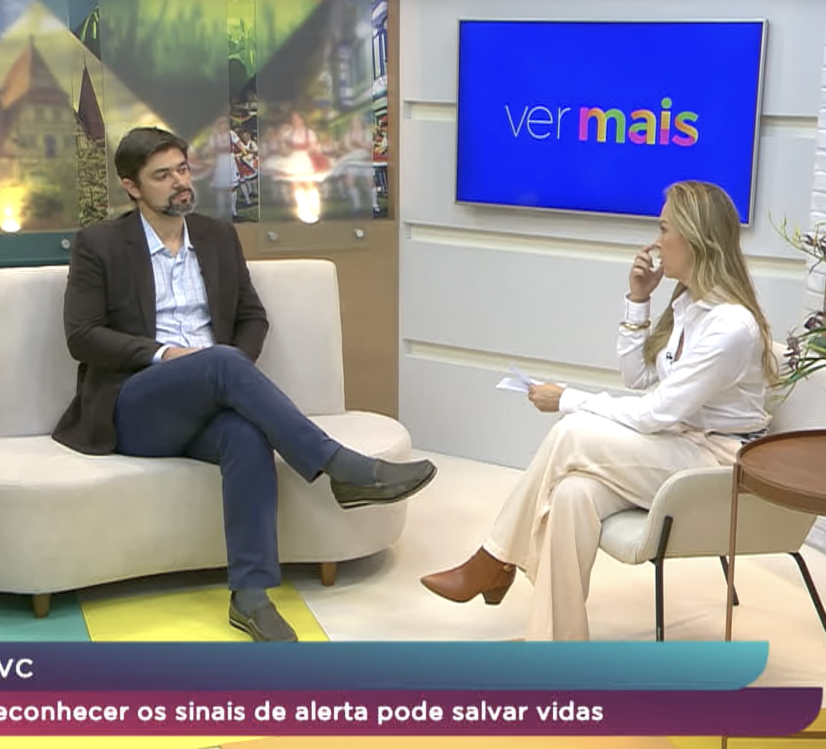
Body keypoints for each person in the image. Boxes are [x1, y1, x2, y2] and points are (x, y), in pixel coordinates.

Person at [53, 126, 437, 642]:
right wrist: (171, 355)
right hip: (135, 403)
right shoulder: (100, 244)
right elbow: (81, 336)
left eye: (183, 169)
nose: (179, 182)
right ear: (131, 186)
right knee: (221, 362)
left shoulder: (215, 236)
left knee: (246, 435)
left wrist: (229, 374)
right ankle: (342, 469)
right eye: (162, 176)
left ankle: (251, 596)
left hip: (210, 396)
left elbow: (252, 317)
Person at [419, 181, 776, 640]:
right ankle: (557, 650)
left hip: (719, 466)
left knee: (572, 431)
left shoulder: (731, 327)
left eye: (664, 228)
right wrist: (639, 300)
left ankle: (493, 560)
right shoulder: (689, 305)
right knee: (572, 495)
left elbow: (654, 413)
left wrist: (566, 398)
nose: (655, 241)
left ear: (694, 237)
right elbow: (637, 376)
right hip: (679, 447)